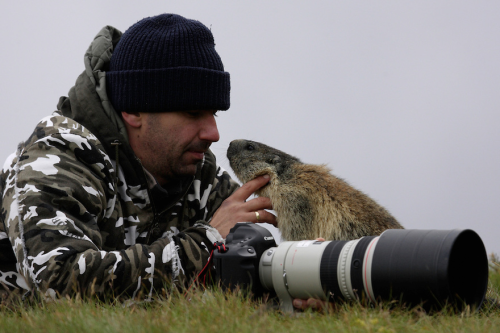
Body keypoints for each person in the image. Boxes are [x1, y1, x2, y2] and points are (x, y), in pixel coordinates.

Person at [0, 13, 323, 310]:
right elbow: (61, 286)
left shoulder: (197, 173)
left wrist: (290, 289)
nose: (213, 133)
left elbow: (236, 275)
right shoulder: (56, 159)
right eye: (193, 113)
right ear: (134, 110)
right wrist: (206, 241)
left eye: (214, 113)